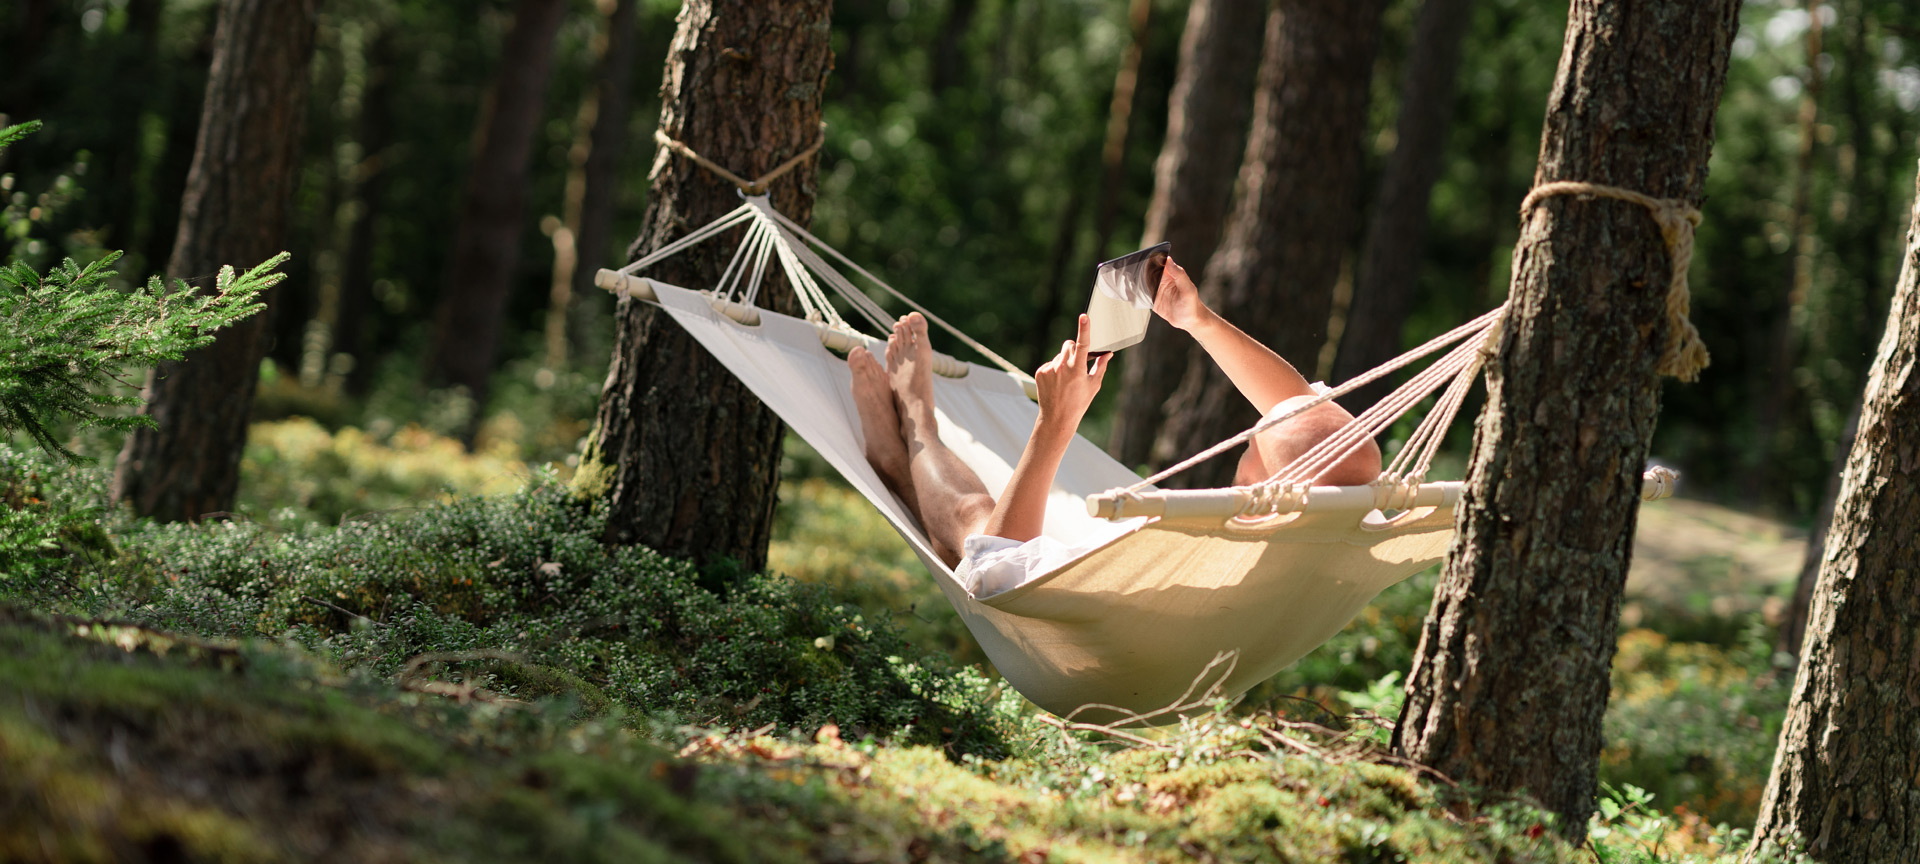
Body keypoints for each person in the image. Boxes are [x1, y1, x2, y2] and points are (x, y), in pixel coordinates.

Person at [848, 258, 1380, 597]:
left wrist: (1056, 422)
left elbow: (996, 569)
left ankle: (914, 434)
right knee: (1303, 423)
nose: (1259, 424)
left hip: (1106, 590)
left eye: (1259, 442)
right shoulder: (1347, 520)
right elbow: (1305, 420)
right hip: (1146, 561)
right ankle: (898, 464)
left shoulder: (1231, 565)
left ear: (1262, 488)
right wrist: (1196, 318)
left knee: (971, 526)